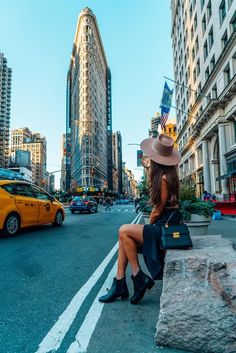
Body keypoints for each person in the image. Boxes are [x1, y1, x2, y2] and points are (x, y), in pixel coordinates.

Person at [99, 134, 182, 305]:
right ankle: (120, 282)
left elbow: (157, 209)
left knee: (123, 230)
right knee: (124, 238)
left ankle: (137, 276)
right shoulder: (168, 176)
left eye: (151, 157)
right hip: (165, 226)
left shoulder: (164, 179)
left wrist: (148, 226)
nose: (149, 159)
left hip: (164, 228)